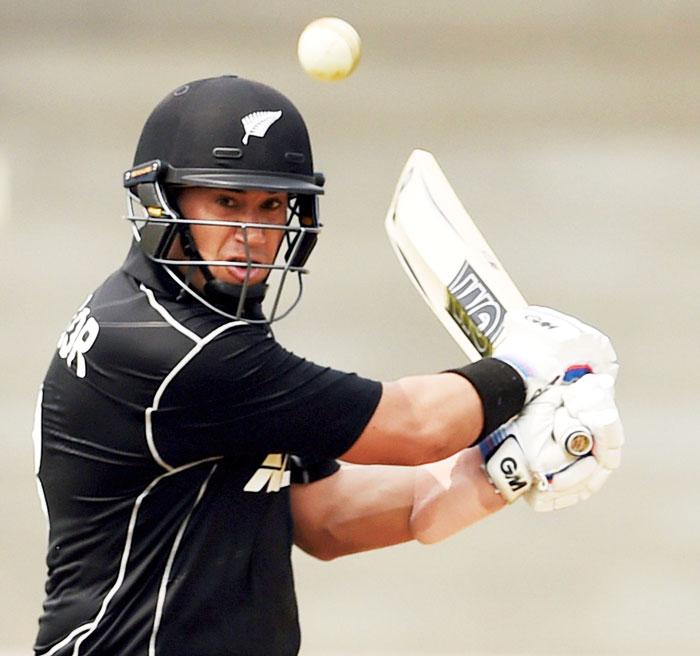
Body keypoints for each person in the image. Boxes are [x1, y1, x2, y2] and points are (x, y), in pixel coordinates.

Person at [32, 76, 623, 656]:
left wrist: (498, 472)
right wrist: (528, 367)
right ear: (164, 199)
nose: (253, 233)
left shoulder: (195, 324)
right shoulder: (177, 349)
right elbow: (418, 427)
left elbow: (327, 520)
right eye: (227, 202)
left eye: (271, 206)